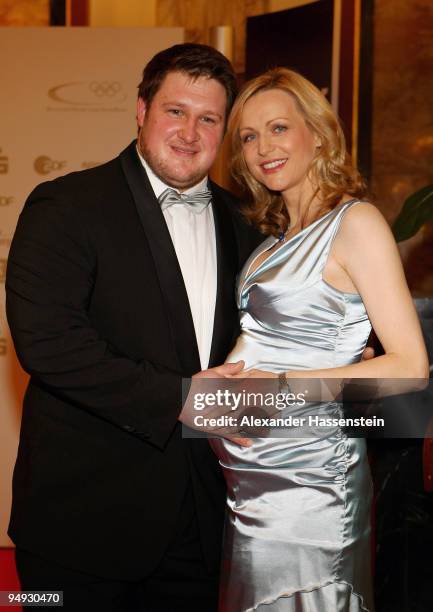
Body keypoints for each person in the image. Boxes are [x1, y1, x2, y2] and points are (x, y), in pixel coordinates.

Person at [5, 43, 262, 612]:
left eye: (209, 118)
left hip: (204, 525)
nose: (190, 132)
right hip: (80, 530)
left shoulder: (247, 224)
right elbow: (48, 344)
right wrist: (181, 398)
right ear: (142, 110)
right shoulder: (65, 206)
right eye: (175, 111)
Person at [209, 68, 429, 612]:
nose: (264, 148)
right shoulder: (271, 242)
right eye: (249, 136)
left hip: (313, 484)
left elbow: (409, 367)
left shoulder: (356, 223)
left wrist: (281, 387)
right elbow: (254, 348)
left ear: (320, 134)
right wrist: (212, 405)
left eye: (279, 127)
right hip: (249, 486)